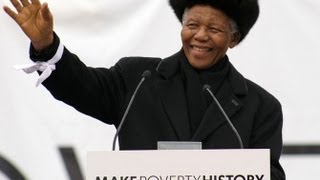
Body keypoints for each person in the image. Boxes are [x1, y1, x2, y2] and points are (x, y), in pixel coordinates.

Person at [3, 0, 286, 179]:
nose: (200, 35)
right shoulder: (138, 78)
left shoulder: (261, 106)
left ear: (233, 39)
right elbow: (81, 86)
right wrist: (46, 45)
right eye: (193, 24)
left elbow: (269, 175)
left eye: (213, 29)